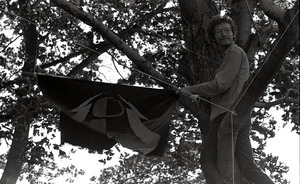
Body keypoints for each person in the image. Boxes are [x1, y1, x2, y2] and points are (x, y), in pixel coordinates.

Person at [178, 15, 274, 184]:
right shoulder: (231, 55)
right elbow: (225, 87)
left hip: (226, 114)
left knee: (207, 160)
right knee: (248, 166)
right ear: (213, 37)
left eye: (227, 30)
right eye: (219, 32)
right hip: (240, 114)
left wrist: (188, 90)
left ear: (233, 33)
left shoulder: (235, 52)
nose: (224, 34)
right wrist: (200, 96)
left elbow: (219, 85)